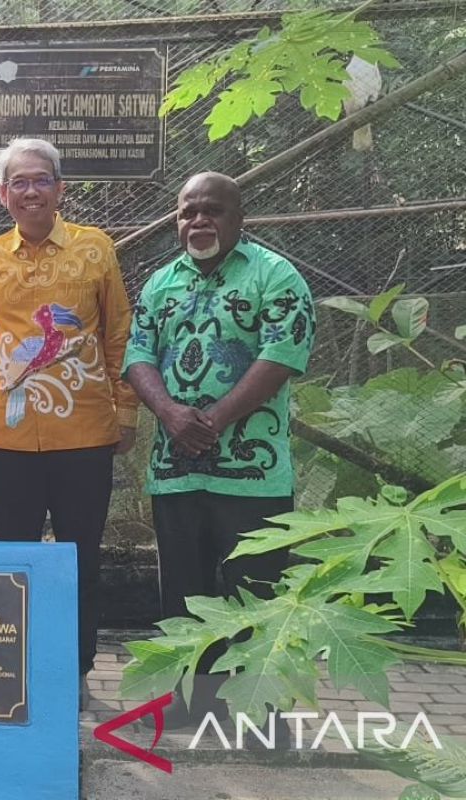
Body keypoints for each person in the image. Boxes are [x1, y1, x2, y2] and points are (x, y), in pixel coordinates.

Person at [122, 171, 315, 727]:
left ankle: (261, 715)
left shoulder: (275, 276)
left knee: (257, 594)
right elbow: (138, 354)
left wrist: (213, 419)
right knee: (184, 595)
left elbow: (282, 355)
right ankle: (192, 705)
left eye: (212, 211)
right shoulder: (161, 283)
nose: (199, 221)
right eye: (188, 212)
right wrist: (169, 414)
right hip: (175, 470)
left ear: (238, 217)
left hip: (252, 472)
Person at [0, 138, 138, 684]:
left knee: (79, 557)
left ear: (60, 188)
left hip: (84, 433)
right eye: (19, 181)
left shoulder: (95, 249)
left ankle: (76, 671)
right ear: (3, 193)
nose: (31, 190)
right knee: (13, 562)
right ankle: (15, 673)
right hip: (6, 436)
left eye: (41, 179)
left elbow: (118, 334)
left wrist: (126, 411)